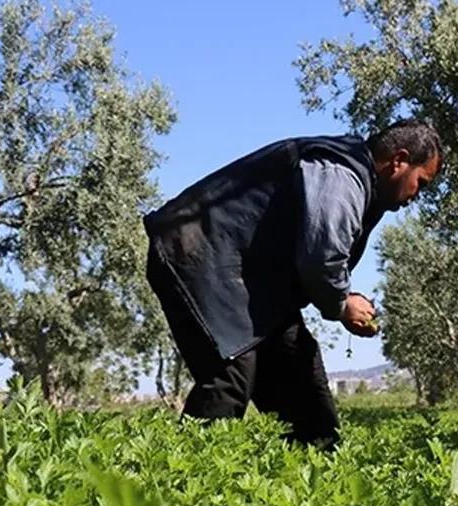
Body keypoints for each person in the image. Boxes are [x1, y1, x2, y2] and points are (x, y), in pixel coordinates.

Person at [144, 119, 442, 449]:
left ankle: (320, 474)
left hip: (253, 282)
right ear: (399, 160)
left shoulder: (356, 177)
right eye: (422, 182)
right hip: (197, 253)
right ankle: (184, 482)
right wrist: (343, 304)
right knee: (231, 375)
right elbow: (320, 258)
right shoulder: (341, 174)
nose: (417, 195)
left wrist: (341, 298)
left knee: (300, 375)